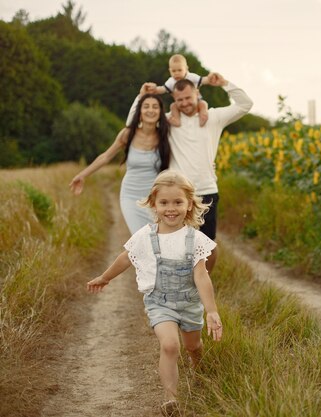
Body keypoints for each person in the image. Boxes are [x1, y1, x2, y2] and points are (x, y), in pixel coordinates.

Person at [86, 169, 223, 416]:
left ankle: (199, 368)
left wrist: (211, 310)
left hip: (190, 303)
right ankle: (172, 400)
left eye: (178, 202)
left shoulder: (196, 239)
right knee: (170, 345)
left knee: (193, 345)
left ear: (189, 204)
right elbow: (126, 257)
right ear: (154, 204)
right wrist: (105, 277)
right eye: (164, 203)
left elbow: (202, 276)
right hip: (159, 303)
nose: (171, 208)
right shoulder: (146, 236)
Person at [128, 71, 253, 274]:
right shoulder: (168, 121)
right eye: (180, 100)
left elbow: (245, 104)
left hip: (206, 190)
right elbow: (135, 123)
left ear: (197, 93)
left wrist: (224, 83)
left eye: (188, 98)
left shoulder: (213, 117)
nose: (185, 103)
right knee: (174, 246)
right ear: (174, 101)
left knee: (208, 246)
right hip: (177, 195)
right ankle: (174, 288)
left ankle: (201, 285)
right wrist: (140, 97)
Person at [70, 94, 171, 234]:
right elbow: (105, 157)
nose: (150, 110)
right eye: (146, 106)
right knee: (140, 237)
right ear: (140, 112)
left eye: (155, 107)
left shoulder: (166, 135)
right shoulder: (127, 134)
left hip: (157, 198)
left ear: (160, 112)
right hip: (131, 196)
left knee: (158, 239)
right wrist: (82, 175)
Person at [153, 54, 210, 127]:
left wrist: (209, 79)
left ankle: (203, 116)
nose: (176, 73)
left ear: (186, 69)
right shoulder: (171, 81)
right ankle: (177, 120)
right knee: (173, 106)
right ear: (169, 71)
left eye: (179, 70)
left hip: (196, 100)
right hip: (180, 104)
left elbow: (202, 80)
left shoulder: (191, 76)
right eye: (173, 71)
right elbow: (163, 89)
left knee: (203, 104)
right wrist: (155, 89)